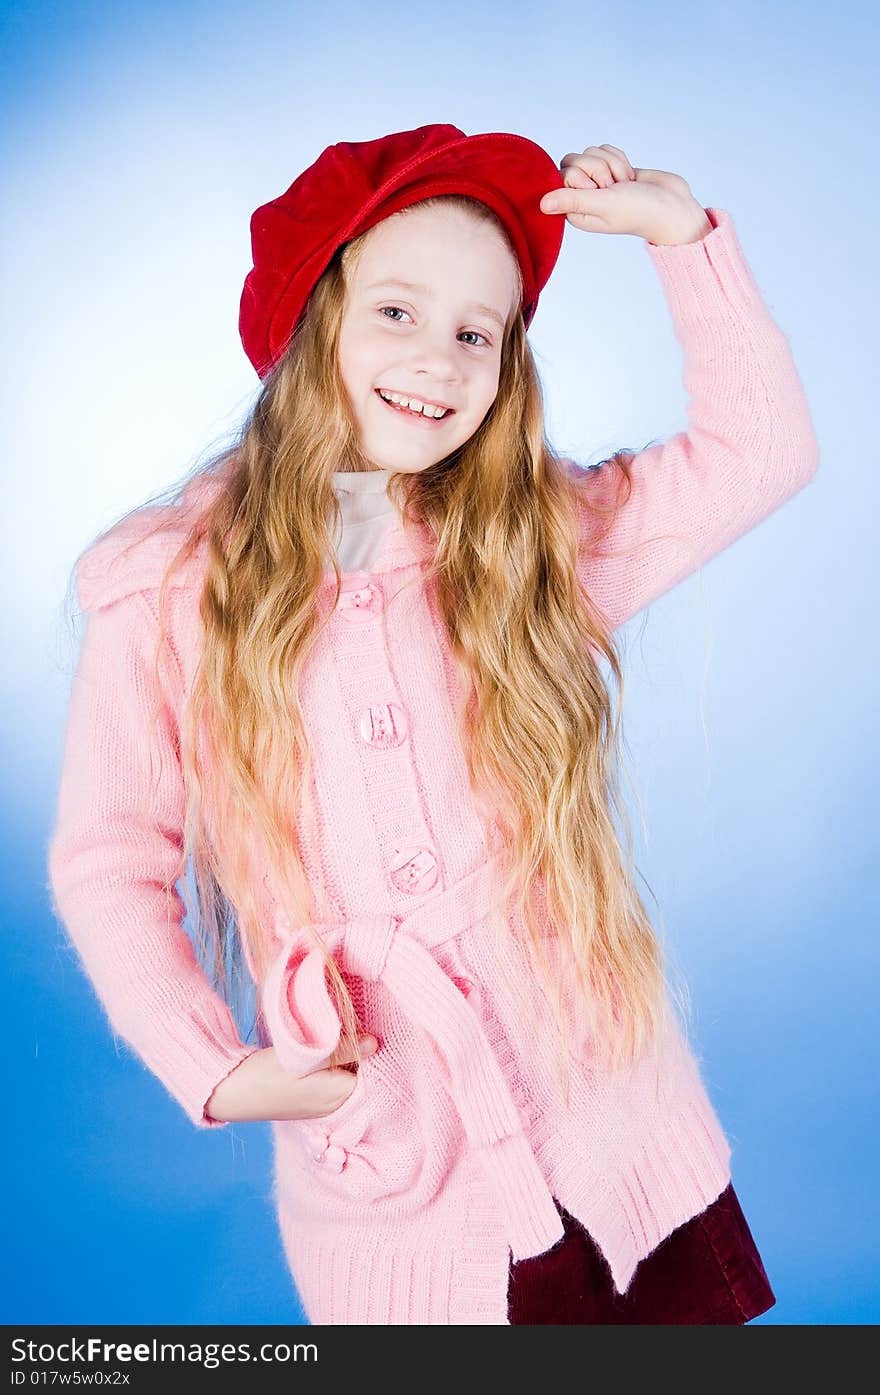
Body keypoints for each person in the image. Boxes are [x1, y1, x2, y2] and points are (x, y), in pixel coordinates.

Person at [47, 123, 818, 1325]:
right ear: (314, 319)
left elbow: (760, 452)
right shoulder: (167, 587)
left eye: (479, 334)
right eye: (398, 314)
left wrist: (684, 240)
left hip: (612, 1139)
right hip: (404, 1181)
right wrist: (214, 1066)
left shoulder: (523, 548)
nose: (440, 362)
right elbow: (108, 857)